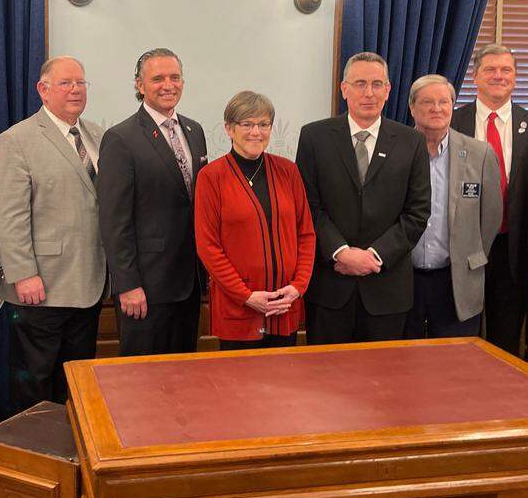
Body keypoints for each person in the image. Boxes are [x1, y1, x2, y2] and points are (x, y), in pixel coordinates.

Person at [0, 56, 107, 413]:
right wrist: (23, 273)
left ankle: (70, 456)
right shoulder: (16, 140)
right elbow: (7, 216)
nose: (75, 90)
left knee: (75, 383)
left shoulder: (97, 135)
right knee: (34, 384)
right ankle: (35, 460)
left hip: (88, 284)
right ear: (43, 90)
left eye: (80, 83)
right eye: (66, 83)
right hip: (39, 288)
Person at [296, 52, 431, 343]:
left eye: (376, 84)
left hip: (387, 287)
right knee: (325, 380)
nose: (368, 93)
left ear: (388, 90)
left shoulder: (412, 141)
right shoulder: (314, 137)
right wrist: (340, 252)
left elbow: (417, 213)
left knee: (383, 382)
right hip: (330, 287)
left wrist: (375, 256)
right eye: (359, 83)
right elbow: (308, 207)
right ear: (344, 89)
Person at [98, 48, 207, 356]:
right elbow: (113, 221)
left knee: (183, 374)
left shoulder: (194, 130)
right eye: (157, 78)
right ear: (139, 85)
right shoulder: (121, 138)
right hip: (145, 287)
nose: (167, 85)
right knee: (142, 381)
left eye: (174, 77)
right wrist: (127, 285)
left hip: (189, 282)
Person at [452, 43, 528, 354]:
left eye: (506, 70)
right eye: (491, 70)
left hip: (513, 249)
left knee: (505, 342)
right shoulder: (452, 123)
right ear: (475, 76)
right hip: (461, 249)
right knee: (458, 339)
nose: (499, 76)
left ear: (515, 76)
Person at [194, 91, 315, 350]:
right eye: (246, 124)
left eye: (263, 124)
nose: (256, 132)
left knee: (283, 383)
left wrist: (297, 287)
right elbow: (208, 246)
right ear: (229, 128)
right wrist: (246, 295)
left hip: (285, 305)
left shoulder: (288, 171)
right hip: (239, 307)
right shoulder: (211, 177)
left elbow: (305, 234)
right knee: (239, 387)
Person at [404, 75, 502, 339]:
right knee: (400, 364)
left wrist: (470, 253)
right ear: (412, 108)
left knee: (454, 366)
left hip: (456, 278)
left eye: (443, 102)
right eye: (427, 102)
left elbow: (491, 217)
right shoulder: (397, 150)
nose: (437, 108)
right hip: (404, 277)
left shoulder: (479, 154)